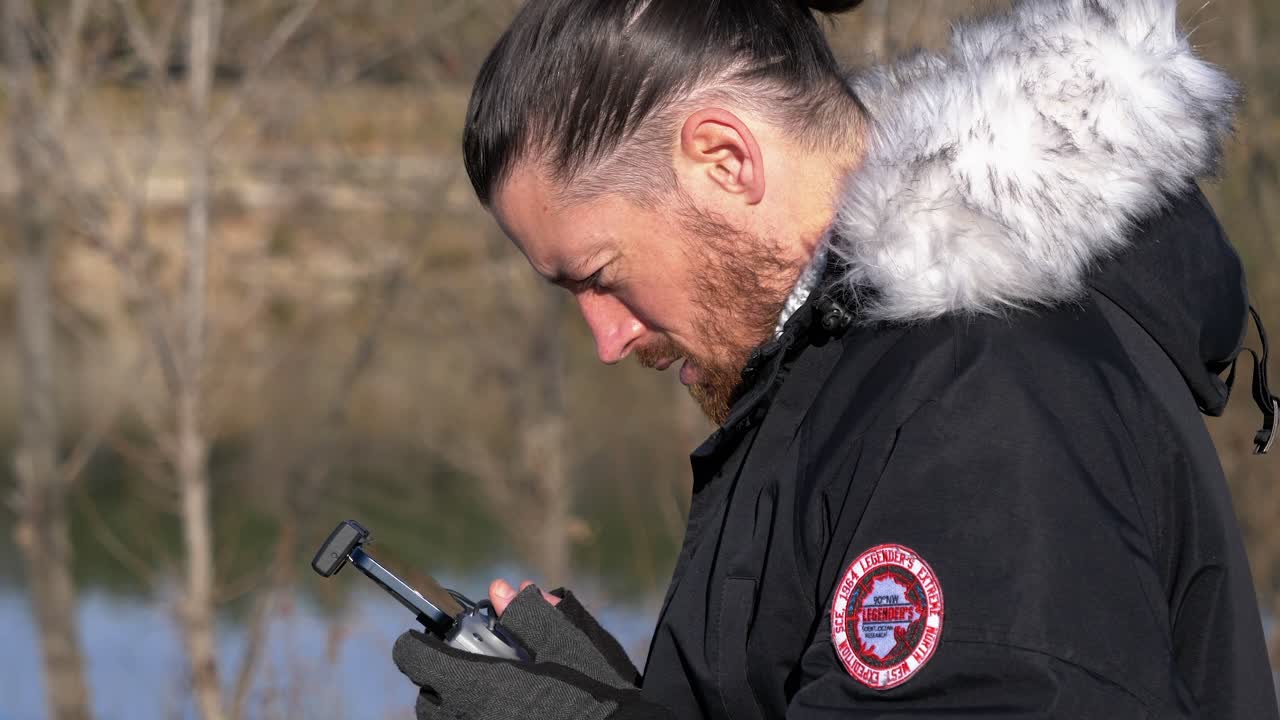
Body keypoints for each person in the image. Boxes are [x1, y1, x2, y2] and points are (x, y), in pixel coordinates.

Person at [391, 0, 1280, 717]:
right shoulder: (848, 379)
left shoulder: (980, 397)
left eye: (599, 275)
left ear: (725, 160)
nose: (606, 338)